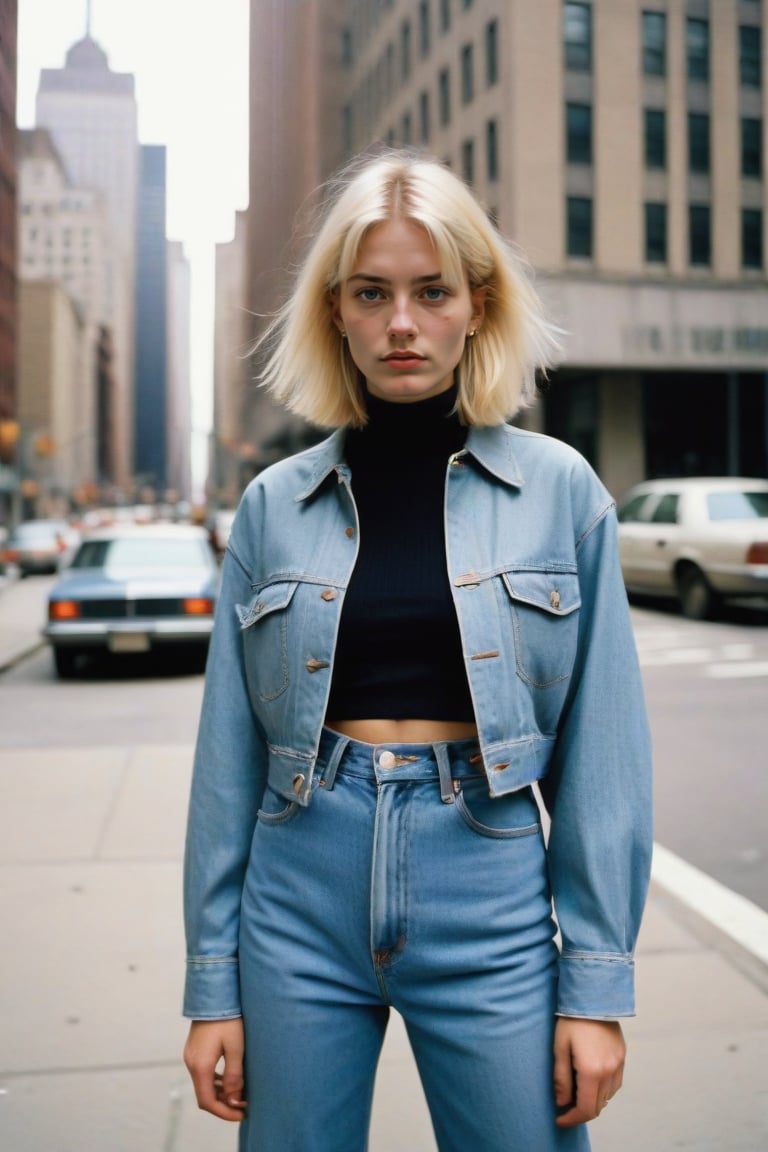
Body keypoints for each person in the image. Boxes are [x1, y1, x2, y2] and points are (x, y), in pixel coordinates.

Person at [182, 149, 653, 1152]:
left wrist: (598, 987)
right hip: (298, 885)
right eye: (373, 293)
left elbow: (603, 761)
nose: (403, 322)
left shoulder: (562, 492)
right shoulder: (272, 506)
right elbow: (226, 767)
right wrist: (211, 988)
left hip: (486, 880)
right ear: (337, 314)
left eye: (431, 291)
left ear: (476, 305)